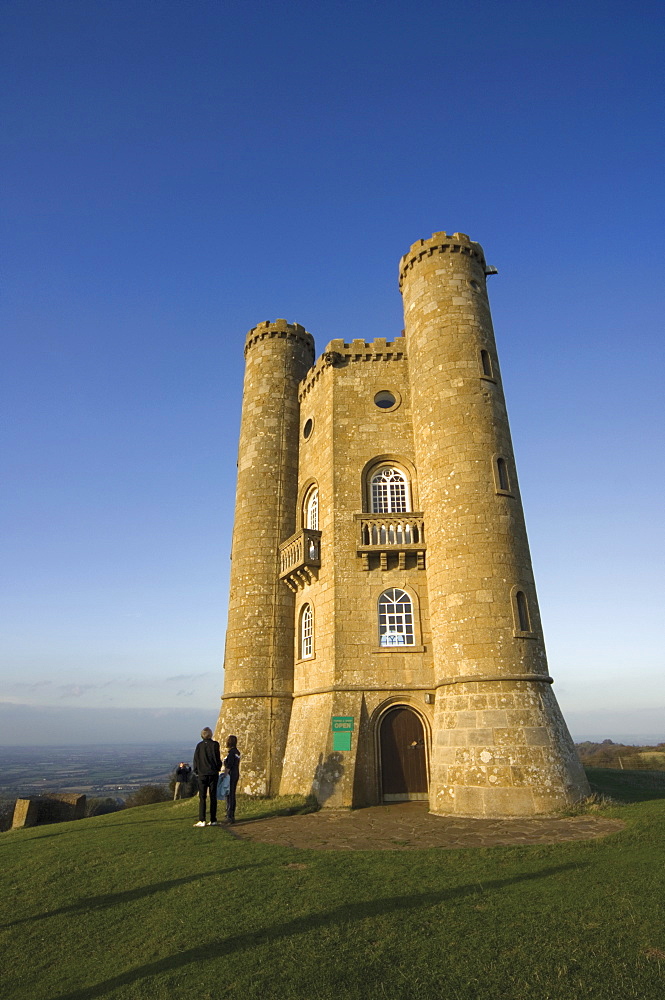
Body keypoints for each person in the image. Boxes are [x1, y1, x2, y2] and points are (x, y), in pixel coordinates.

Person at [192, 727, 221, 827]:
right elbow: (217, 758)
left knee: (202, 798)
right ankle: (213, 820)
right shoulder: (215, 745)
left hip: (202, 775)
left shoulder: (199, 746)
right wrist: (218, 768)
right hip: (213, 774)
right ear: (210, 734)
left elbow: (196, 759)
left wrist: (196, 771)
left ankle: (202, 820)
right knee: (213, 797)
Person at [223, 735, 241, 824]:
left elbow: (229, 765)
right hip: (236, 773)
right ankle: (231, 815)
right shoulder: (237, 752)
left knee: (229, 795)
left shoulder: (231, 753)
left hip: (231, 775)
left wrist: (225, 775)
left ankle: (229, 815)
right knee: (232, 794)